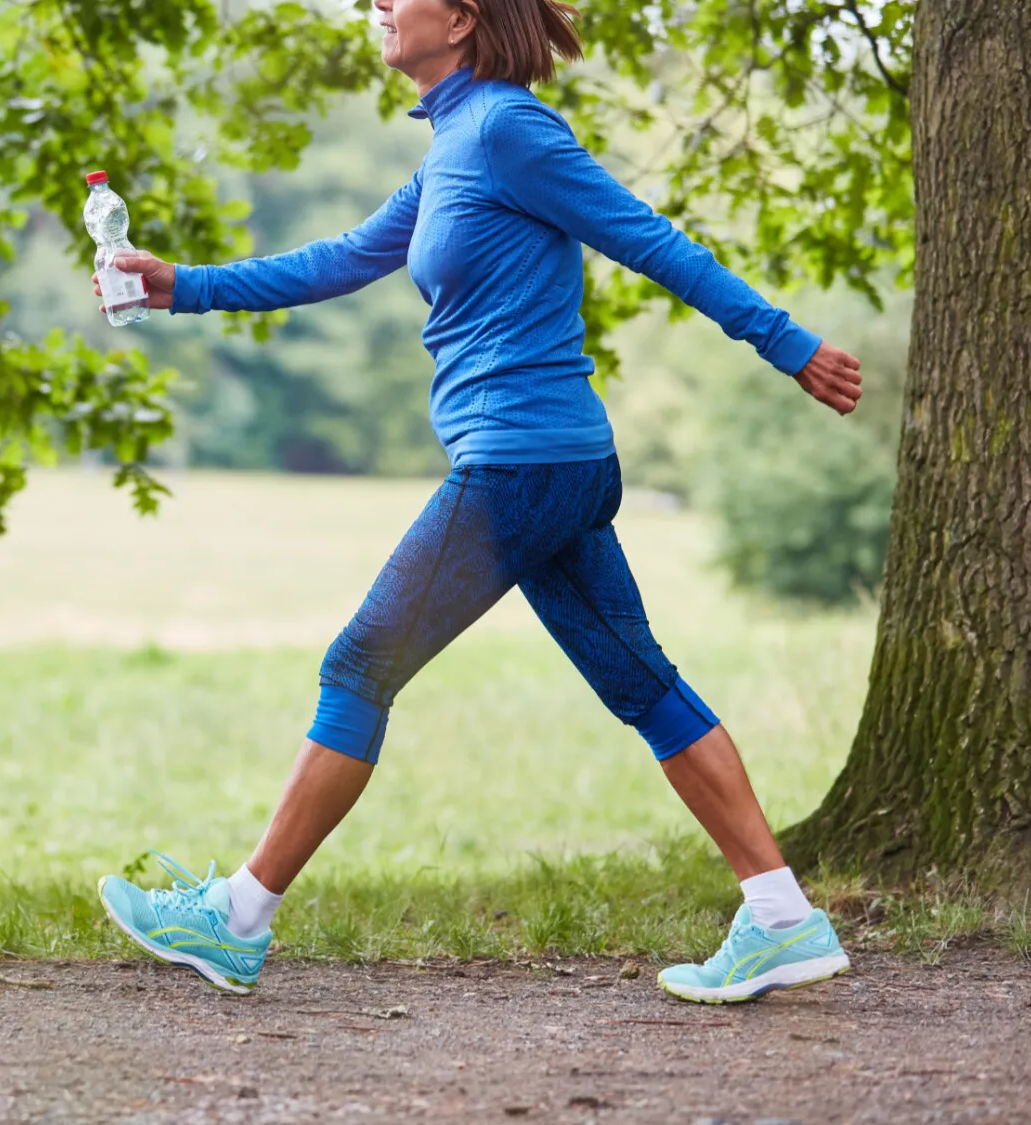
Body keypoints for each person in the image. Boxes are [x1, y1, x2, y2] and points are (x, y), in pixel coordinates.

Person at [91, 0, 865, 1004]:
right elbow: (341, 258)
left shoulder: (508, 129)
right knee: (641, 687)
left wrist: (784, 344)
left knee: (358, 665)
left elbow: (649, 240)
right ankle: (780, 919)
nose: (374, 5)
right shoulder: (455, 142)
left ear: (458, 20)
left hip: (517, 467)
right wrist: (179, 287)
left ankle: (237, 920)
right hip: (548, 467)